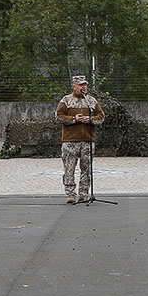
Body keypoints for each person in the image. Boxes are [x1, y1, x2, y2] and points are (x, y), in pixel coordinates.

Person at [55, 75, 104, 204]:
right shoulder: (66, 100)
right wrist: (74, 119)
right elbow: (58, 117)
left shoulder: (91, 101)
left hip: (87, 140)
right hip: (70, 141)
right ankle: (70, 193)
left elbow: (101, 117)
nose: (84, 87)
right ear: (74, 86)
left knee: (86, 168)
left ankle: (84, 193)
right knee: (69, 168)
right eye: (81, 85)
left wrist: (91, 119)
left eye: (85, 85)